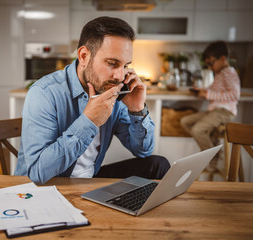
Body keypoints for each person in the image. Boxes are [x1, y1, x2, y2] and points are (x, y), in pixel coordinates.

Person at [15, 16, 170, 184]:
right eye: (112, 63)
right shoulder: (44, 93)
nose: (119, 76)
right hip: (51, 187)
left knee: (158, 165)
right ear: (83, 56)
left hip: (89, 180)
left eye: (125, 66)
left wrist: (137, 109)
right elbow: (36, 174)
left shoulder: (113, 93)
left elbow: (143, 151)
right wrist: (89, 121)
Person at [181, 41, 241, 171]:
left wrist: (208, 94)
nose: (209, 67)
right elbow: (214, 90)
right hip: (214, 111)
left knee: (197, 130)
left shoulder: (229, 72)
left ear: (223, 58)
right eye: (207, 64)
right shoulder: (220, 74)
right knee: (185, 121)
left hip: (224, 112)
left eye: (211, 63)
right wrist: (202, 91)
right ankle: (212, 148)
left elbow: (234, 94)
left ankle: (212, 155)